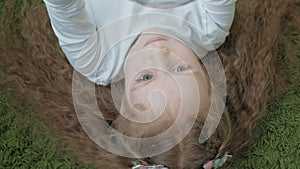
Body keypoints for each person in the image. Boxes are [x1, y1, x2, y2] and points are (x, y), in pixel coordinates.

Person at [2, 0, 298, 168]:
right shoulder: (208, 29)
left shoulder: (96, 60)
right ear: (210, 77)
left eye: (146, 78)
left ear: (120, 100)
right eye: (182, 68)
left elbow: (65, 9)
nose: (159, 53)